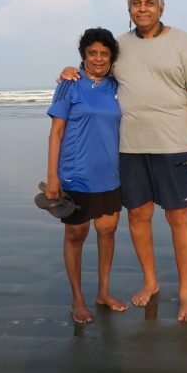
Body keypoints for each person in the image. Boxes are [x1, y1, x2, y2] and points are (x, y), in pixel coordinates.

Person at [60, 0, 187, 321]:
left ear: (161, 6)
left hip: (172, 145)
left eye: (149, 3)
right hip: (128, 148)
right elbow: (94, 69)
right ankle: (150, 281)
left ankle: (186, 291)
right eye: (136, 3)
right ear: (129, 8)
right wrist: (69, 70)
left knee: (179, 217)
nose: (142, 8)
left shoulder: (182, 42)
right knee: (139, 216)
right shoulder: (120, 46)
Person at [46, 27, 128, 324]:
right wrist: (52, 176)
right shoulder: (70, 84)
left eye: (104, 54)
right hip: (75, 174)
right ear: (83, 54)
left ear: (111, 57)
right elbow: (56, 132)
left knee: (107, 232)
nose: (98, 58)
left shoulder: (116, 86)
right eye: (92, 53)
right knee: (76, 234)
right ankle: (77, 298)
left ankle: (103, 292)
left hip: (110, 174)